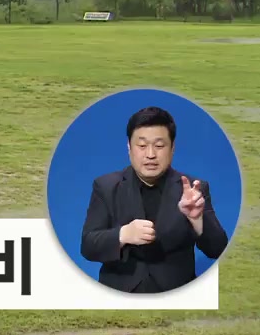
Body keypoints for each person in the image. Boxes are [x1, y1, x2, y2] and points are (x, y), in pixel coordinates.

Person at [79, 106, 229, 293]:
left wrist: (197, 220)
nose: (150, 154)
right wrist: (123, 234)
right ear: (129, 148)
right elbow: (88, 246)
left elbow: (218, 249)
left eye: (159, 146)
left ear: (172, 148)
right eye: (142, 146)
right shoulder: (106, 186)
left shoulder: (193, 189)